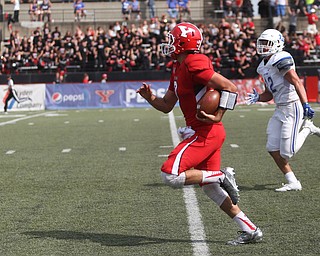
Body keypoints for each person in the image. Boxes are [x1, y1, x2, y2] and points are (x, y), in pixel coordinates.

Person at [137, 22, 263, 245]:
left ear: (183, 43)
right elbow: (167, 105)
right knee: (211, 189)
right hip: (205, 132)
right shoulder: (177, 67)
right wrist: (150, 98)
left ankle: (223, 175)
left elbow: (230, 87)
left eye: (172, 39)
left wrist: (220, 114)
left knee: (170, 175)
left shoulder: (195, 62)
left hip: (205, 131)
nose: (168, 43)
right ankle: (250, 229)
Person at [246, 29, 320, 192]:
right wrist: (258, 97)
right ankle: (293, 181)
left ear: (277, 44)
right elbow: (269, 93)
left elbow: (296, 82)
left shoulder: (281, 58)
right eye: (262, 43)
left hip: (292, 106)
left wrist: (305, 104)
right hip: (280, 108)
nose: (263, 47)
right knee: (272, 148)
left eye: (267, 43)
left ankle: (308, 128)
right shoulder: (262, 66)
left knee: (287, 152)